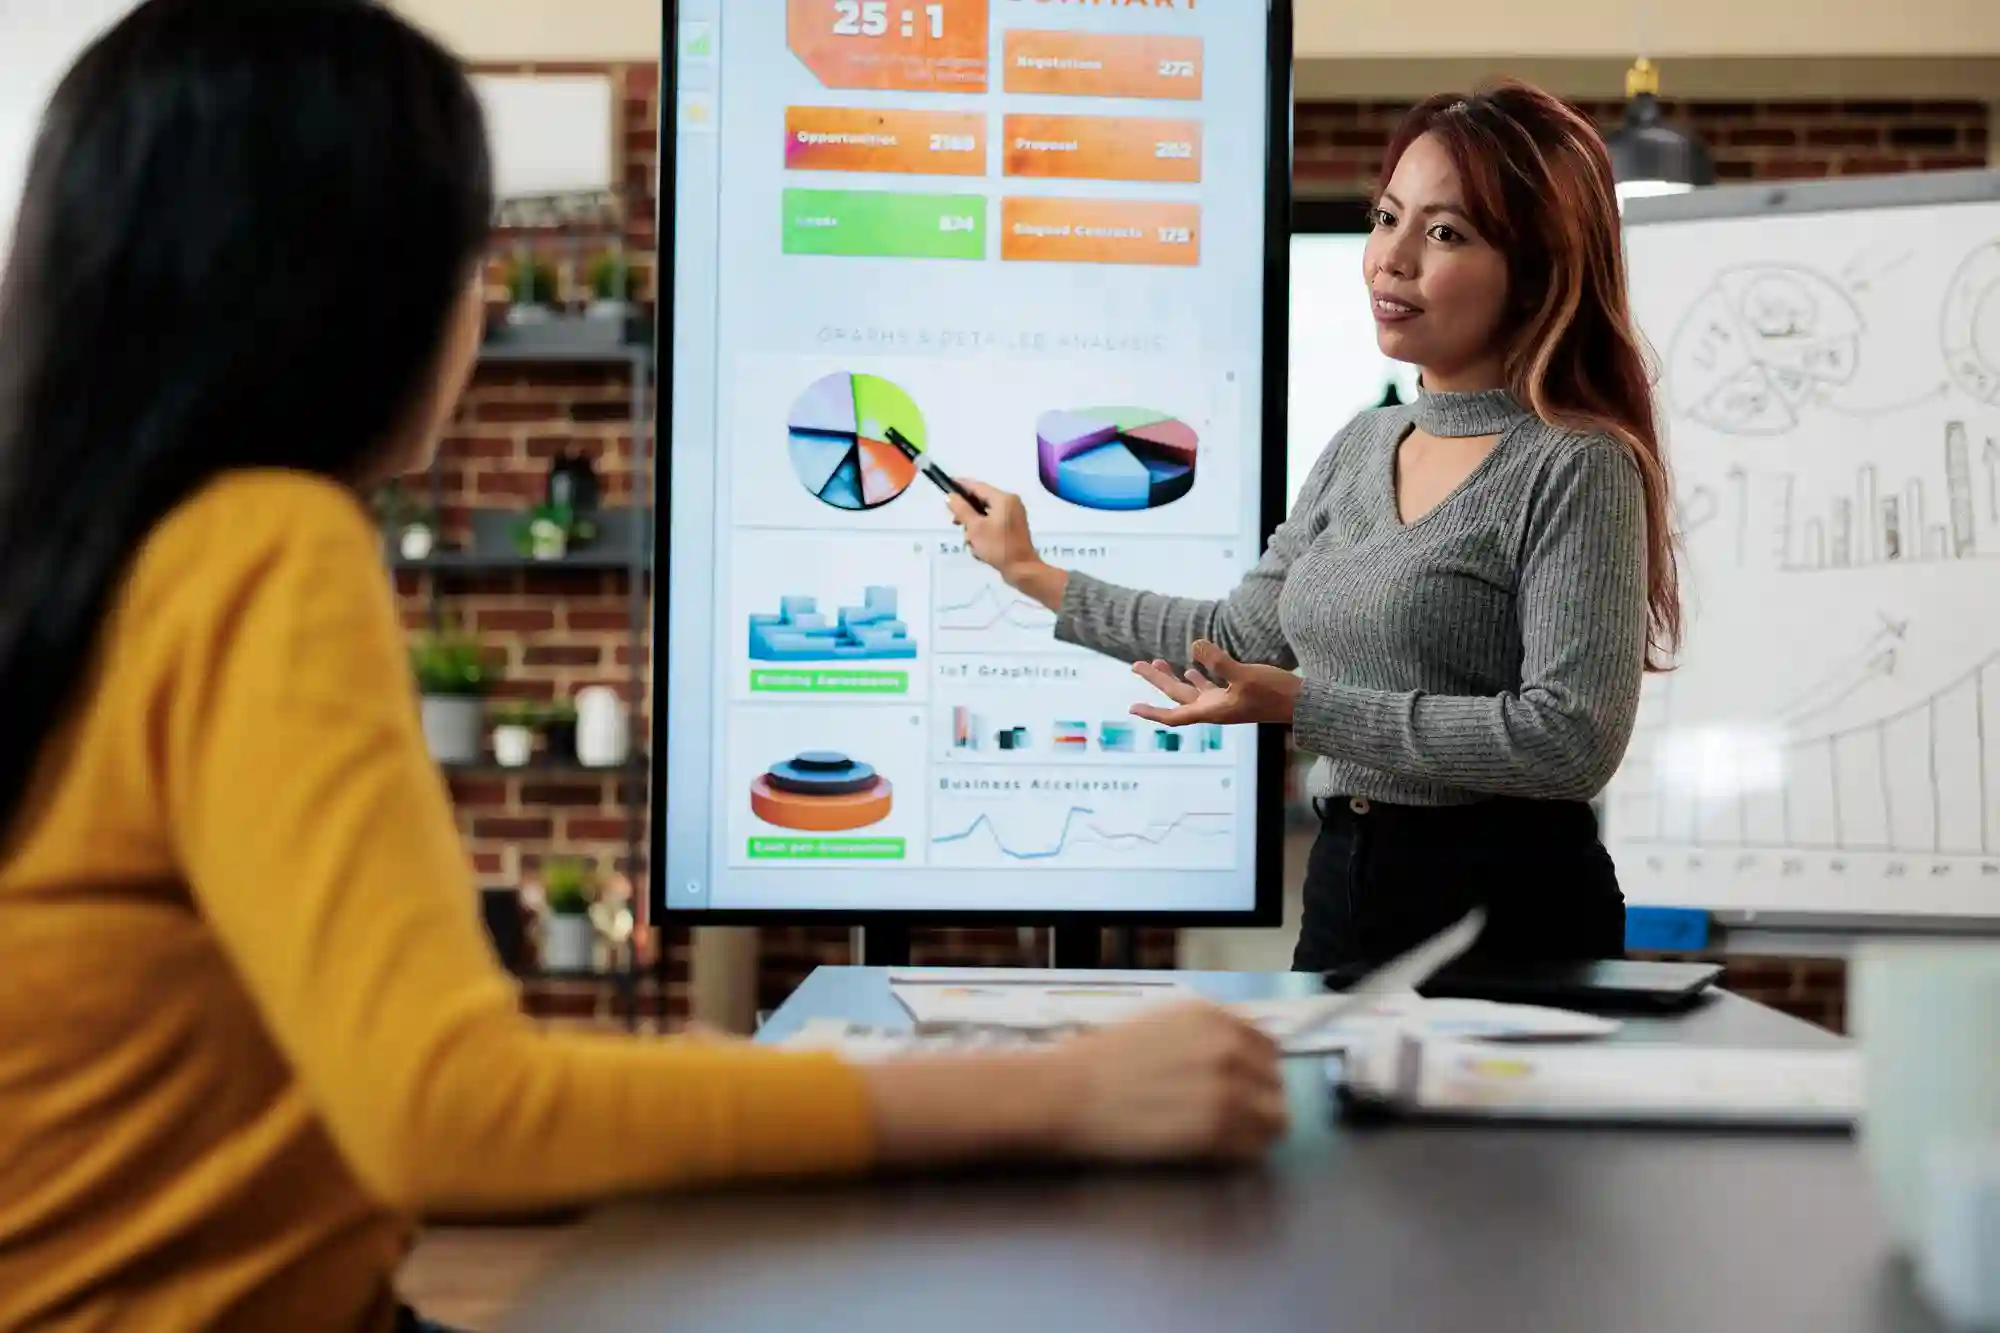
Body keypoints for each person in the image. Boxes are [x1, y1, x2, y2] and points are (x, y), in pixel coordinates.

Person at [0, 4, 1286, 1331]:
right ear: (343, 285)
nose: (484, 293)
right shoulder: (259, 543)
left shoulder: (92, 557)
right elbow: (450, 1115)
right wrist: (1064, 1093)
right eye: (466, 248)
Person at [952, 82, 1677, 973]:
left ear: (1535, 272)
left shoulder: (1577, 463)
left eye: (1445, 233)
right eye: (1386, 218)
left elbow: (1569, 741)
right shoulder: (1362, 444)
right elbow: (1236, 638)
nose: (1392, 259)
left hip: (1511, 906)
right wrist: (1030, 571)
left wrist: (1305, 705)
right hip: (1350, 883)